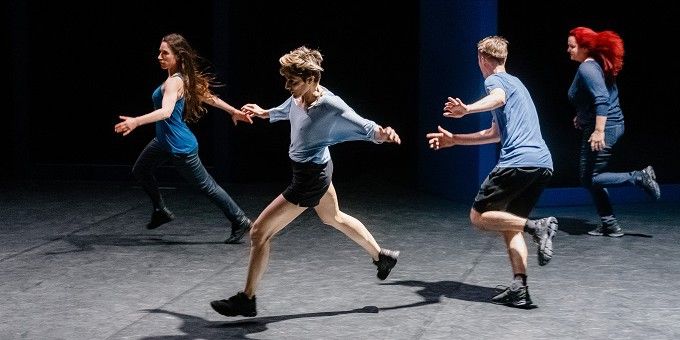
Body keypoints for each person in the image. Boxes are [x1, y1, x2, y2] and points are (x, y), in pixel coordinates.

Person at [209, 46, 401, 317]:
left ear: (312, 80)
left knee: (258, 232)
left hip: (310, 178)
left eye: (293, 81)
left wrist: (384, 133)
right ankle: (382, 256)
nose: (288, 86)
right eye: (286, 80)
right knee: (333, 216)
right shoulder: (299, 97)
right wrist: (265, 113)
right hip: (318, 167)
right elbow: (289, 108)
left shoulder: (330, 105)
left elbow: (365, 126)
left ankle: (247, 298)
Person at [426, 36, 557, 308]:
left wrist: (467, 110)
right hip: (542, 164)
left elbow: (496, 98)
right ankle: (519, 287)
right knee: (510, 223)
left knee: (479, 217)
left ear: (482, 59)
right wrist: (455, 139)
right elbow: (494, 134)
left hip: (517, 162)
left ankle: (538, 227)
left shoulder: (494, 82)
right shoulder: (517, 83)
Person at [114, 33, 253, 244]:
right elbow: (209, 97)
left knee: (208, 186)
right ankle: (160, 209)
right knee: (141, 169)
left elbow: (166, 112)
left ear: (177, 56)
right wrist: (233, 111)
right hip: (163, 142)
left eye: (164, 53)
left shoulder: (174, 82)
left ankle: (240, 219)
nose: (159, 57)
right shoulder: (181, 78)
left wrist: (136, 121)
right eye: (159, 52)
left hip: (180, 147)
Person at [567, 27, 661, 237]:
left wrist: (599, 130)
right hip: (607, 125)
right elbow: (595, 98)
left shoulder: (587, 69)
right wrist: (582, 116)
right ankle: (609, 224)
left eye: (572, 46)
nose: (568, 50)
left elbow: (601, 98)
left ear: (585, 48)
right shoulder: (594, 66)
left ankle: (639, 177)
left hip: (605, 128)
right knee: (592, 178)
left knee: (589, 178)